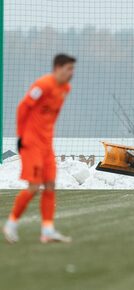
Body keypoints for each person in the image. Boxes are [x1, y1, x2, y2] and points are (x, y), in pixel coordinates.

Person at [3, 54, 76, 244]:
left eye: (72, 69)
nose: (72, 73)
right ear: (58, 68)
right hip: (31, 143)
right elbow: (22, 108)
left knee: (50, 185)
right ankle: (11, 223)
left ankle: (47, 231)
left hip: (46, 145)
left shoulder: (66, 88)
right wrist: (21, 136)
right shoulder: (42, 85)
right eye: (69, 68)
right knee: (34, 187)